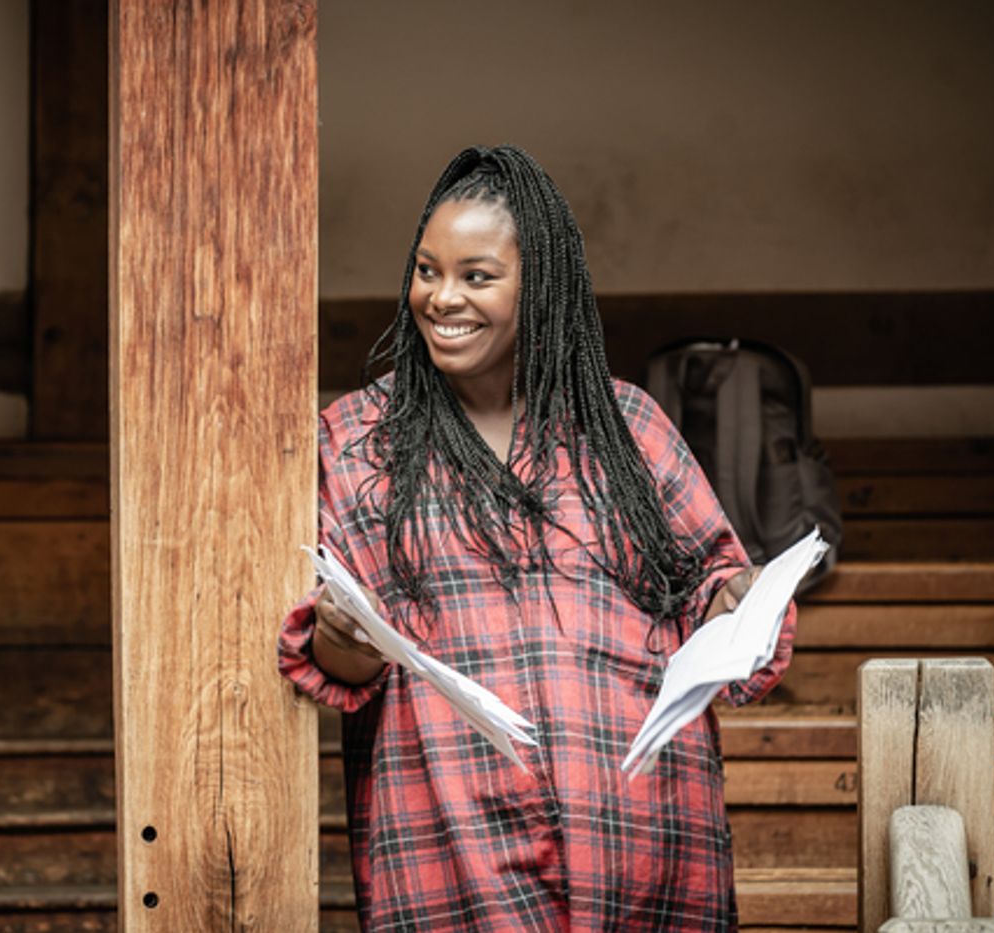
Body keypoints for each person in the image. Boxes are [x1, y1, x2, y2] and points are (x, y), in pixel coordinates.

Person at [278, 145, 794, 931]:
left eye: (476, 275)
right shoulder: (354, 443)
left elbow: (717, 602)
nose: (442, 297)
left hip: (647, 842)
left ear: (540, 288)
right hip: (451, 846)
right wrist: (340, 635)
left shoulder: (629, 429)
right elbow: (336, 663)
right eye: (426, 270)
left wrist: (739, 600)